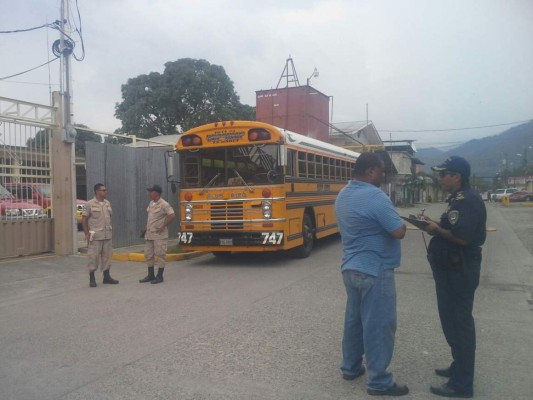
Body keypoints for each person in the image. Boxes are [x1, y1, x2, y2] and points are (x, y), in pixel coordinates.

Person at [334, 152, 409, 397]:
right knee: (379, 325)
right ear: (370, 171)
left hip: (351, 268)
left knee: (354, 321)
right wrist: (404, 223)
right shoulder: (375, 196)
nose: (383, 175)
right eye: (380, 170)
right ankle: (379, 382)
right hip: (375, 270)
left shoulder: (343, 194)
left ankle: (351, 367)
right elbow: (398, 231)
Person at [420, 156, 486, 398]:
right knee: (451, 321)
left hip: (460, 270)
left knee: (459, 324)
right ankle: (458, 367)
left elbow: (462, 238)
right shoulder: (458, 199)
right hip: (451, 269)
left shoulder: (467, 200)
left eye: (443, 173)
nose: (439, 178)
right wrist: (432, 223)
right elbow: (452, 227)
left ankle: (462, 385)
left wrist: (435, 230)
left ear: (456, 176)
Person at [82, 183, 118, 287]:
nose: (105, 192)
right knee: (93, 257)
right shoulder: (90, 204)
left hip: (107, 235)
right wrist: (86, 234)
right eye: (103, 190)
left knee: (107, 257)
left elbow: (109, 218)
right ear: (97, 191)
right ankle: (92, 278)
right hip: (96, 236)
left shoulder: (107, 203)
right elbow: (84, 219)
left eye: (105, 190)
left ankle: (107, 277)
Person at [139, 184, 175, 284]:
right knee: (148, 255)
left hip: (159, 235)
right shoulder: (151, 203)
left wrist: (163, 225)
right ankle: (151, 275)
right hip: (149, 234)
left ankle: (159, 276)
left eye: (151, 191)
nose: (149, 193)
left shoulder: (164, 204)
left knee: (160, 254)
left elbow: (172, 215)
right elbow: (151, 217)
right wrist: (145, 228)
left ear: (156, 193)